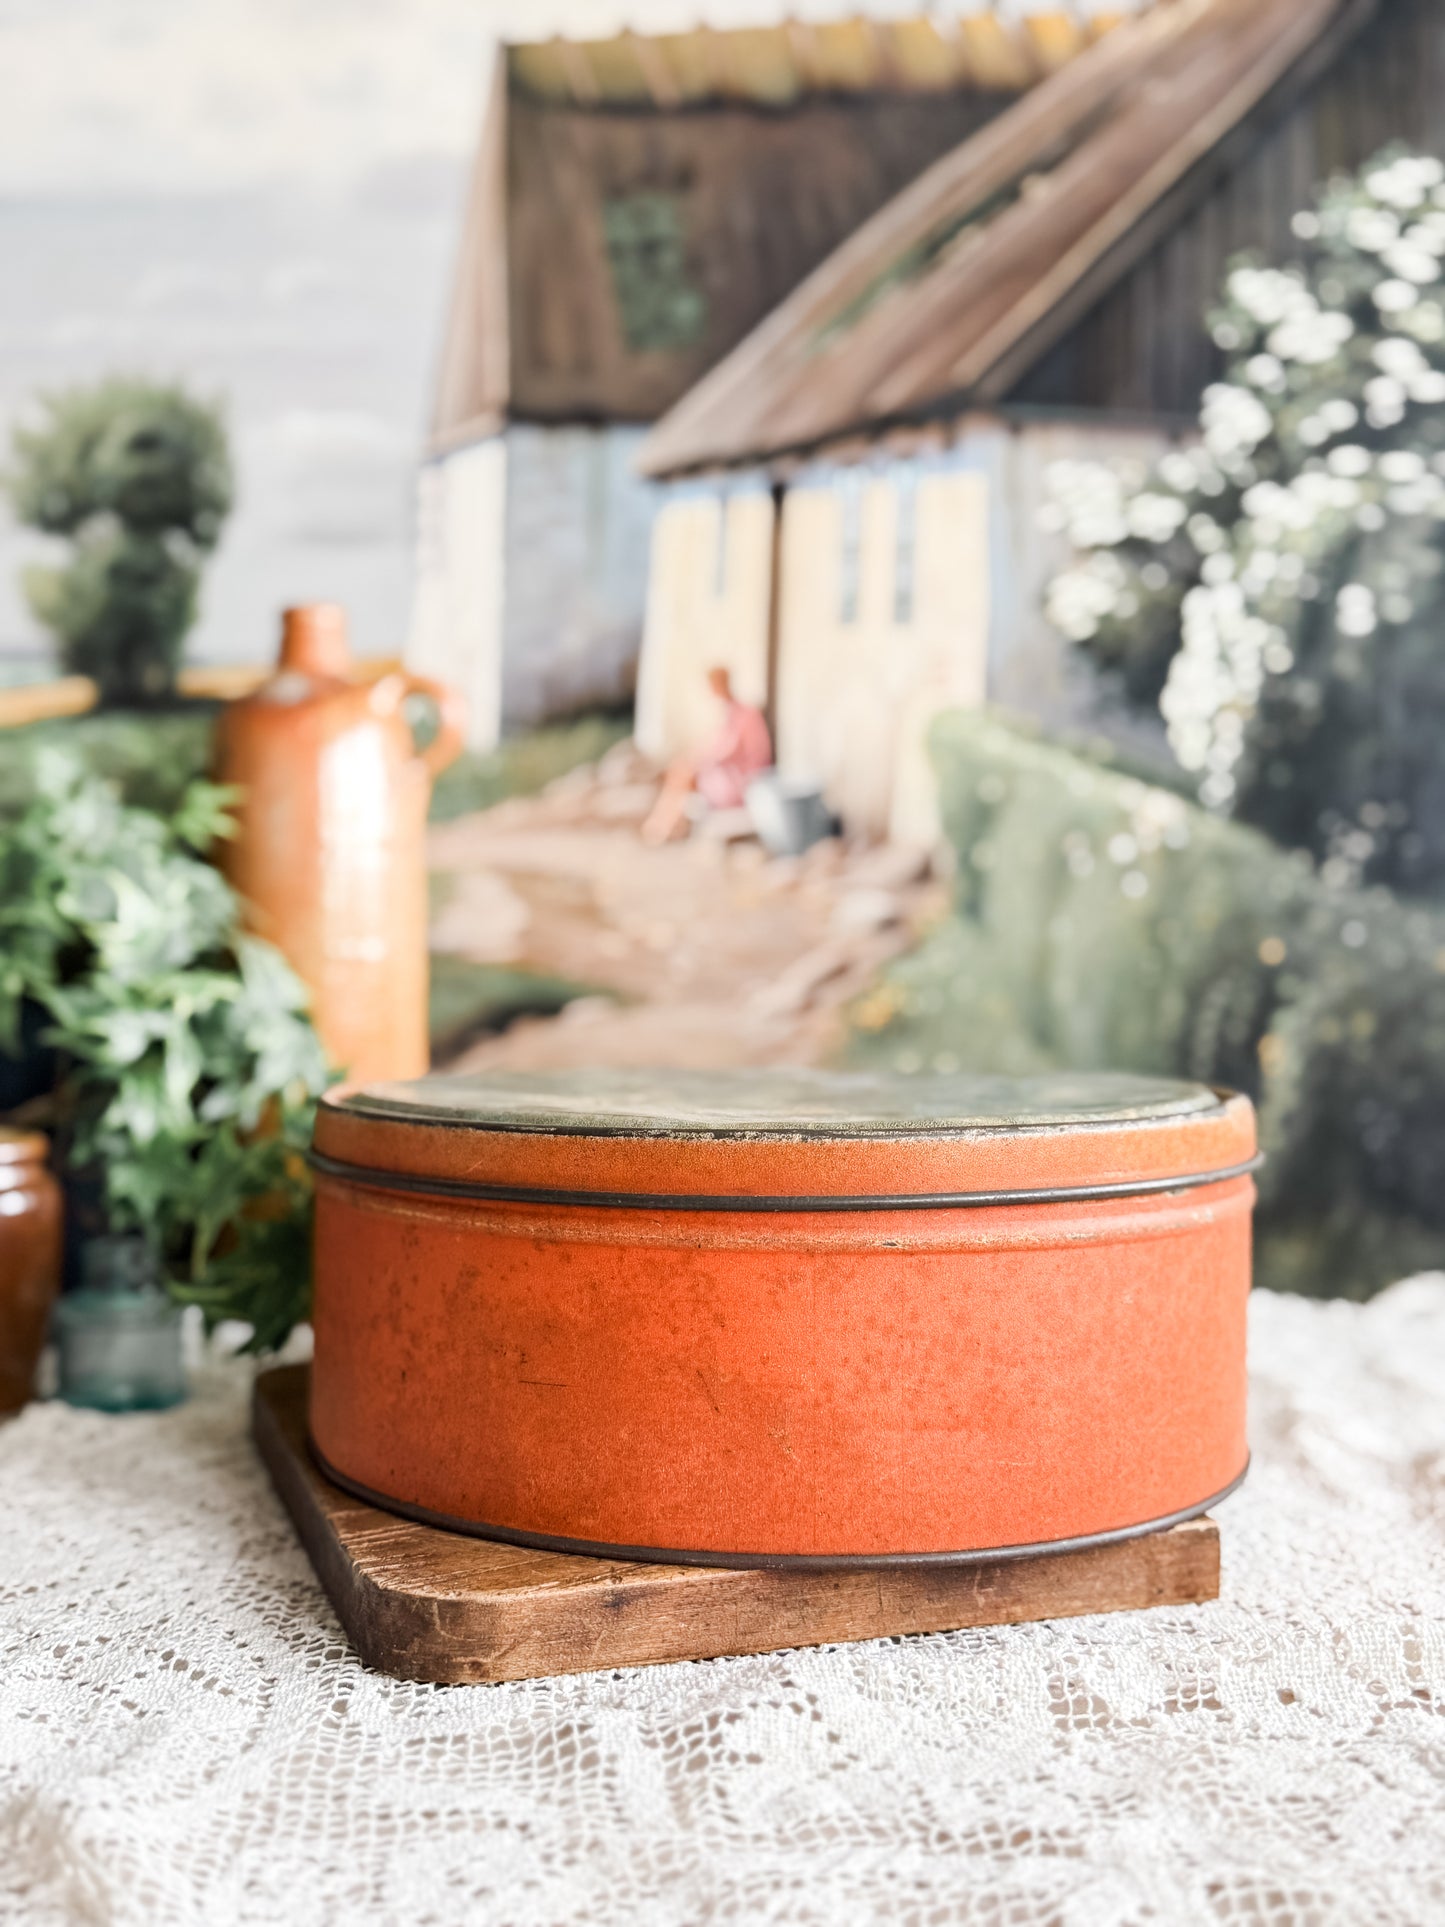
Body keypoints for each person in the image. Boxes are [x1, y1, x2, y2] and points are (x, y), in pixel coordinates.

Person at [641, 665, 772, 845]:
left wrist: (698, 762)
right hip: (729, 773)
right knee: (681, 772)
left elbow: (728, 752)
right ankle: (665, 823)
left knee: (684, 776)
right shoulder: (730, 712)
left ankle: (664, 825)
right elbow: (713, 747)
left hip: (742, 781)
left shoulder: (744, 713)